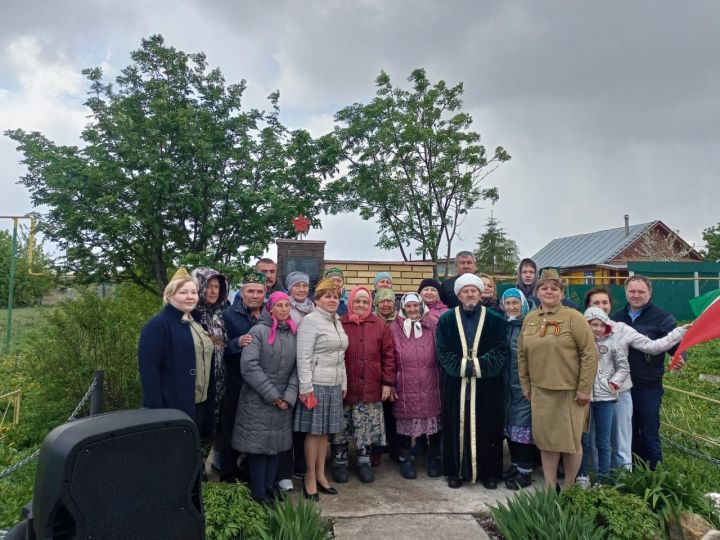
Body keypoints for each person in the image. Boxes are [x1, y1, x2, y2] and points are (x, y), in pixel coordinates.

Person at [584, 287, 688, 470]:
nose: (601, 306)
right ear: (588, 307)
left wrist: (677, 334)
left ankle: (623, 481)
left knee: (622, 440)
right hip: (591, 395)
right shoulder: (581, 330)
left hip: (620, 392)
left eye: (604, 302)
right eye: (596, 303)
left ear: (610, 305)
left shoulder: (621, 328)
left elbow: (653, 346)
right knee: (595, 439)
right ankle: (601, 480)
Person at [517, 268, 597, 489]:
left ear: (562, 293)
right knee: (546, 442)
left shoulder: (574, 318)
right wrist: (526, 384)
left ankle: (570, 487)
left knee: (571, 442)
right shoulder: (530, 319)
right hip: (540, 391)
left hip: (570, 392)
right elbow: (522, 355)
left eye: (554, 288)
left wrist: (584, 388)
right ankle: (550, 487)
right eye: (544, 288)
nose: (549, 291)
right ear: (537, 292)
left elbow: (589, 354)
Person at [436, 274, 509, 489]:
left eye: (473, 290)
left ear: (480, 293)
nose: (470, 294)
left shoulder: (496, 319)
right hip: (456, 385)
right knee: (455, 426)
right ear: (458, 295)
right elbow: (442, 350)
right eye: (465, 291)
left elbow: (500, 350)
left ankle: (490, 473)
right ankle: (456, 471)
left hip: (488, 384)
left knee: (488, 426)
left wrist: (475, 367)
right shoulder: (447, 319)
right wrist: (462, 368)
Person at [611, 276, 685, 469]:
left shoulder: (662, 317)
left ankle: (655, 473)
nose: (636, 295)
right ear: (626, 292)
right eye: (632, 291)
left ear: (649, 293)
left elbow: (675, 342)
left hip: (648, 385)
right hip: (623, 386)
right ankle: (634, 470)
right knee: (629, 430)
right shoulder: (617, 317)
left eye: (641, 292)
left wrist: (678, 356)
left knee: (650, 431)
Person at [232, 292, 298, 504]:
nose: (284, 309)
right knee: (258, 448)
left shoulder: (292, 333)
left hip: (283, 401)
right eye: (279, 305)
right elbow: (249, 367)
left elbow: (296, 369)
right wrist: (273, 396)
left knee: (275, 446)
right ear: (270, 308)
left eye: (287, 305)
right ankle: (258, 492)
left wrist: (288, 396)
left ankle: (270, 487)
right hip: (258, 399)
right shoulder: (258, 331)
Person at [139, 268, 214, 437]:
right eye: (183, 292)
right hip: (174, 405)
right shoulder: (158, 326)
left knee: (193, 452)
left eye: (193, 292)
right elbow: (149, 371)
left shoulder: (198, 323)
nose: (190, 296)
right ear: (169, 296)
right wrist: (158, 413)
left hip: (200, 403)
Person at [331, 286, 395, 484]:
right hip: (344, 385)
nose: (361, 305)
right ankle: (340, 461)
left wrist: (387, 382)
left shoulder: (380, 325)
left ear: (370, 304)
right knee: (341, 425)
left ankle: (363, 461)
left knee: (366, 426)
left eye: (365, 302)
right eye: (357, 301)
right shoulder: (339, 323)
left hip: (371, 385)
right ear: (350, 302)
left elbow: (389, 355)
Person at [294, 278, 349, 501]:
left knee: (325, 432)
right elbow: (303, 357)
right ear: (317, 300)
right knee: (314, 432)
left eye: (335, 296)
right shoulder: (311, 321)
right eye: (327, 296)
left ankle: (320, 474)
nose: (332, 300)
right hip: (315, 384)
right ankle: (309, 477)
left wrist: (343, 382)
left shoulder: (337, 321)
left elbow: (341, 357)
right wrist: (306, 387)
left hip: (334, 384)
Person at [219, 271, 266, 482]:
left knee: (255, 429)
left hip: (263, 384)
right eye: (250, 291)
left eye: (259, 291)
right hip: (236, 382)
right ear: (242, 292)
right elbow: (219, 349)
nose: (255, 295)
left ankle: (249, 472)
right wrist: (236, 343)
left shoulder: (270, 315)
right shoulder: (228, 315)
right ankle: (228, 474)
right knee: (231, 428)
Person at [576, 307, 629, 487]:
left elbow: (623, 366)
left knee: (603, 441)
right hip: (583, 397)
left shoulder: (613, 342)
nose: (598, 328)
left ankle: (603, 478)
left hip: (605, 398)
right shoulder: (577, 343)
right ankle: (582, 475)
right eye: (593, 325)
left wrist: (613, 383)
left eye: (601, 325)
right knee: (582, 439)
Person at [390, 293, 441, 479]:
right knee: (405, 427)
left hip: (430, 382)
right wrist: (390, 383)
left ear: (421, 306)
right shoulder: (394, 329)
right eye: (408, 306)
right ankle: (406, 460)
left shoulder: (433, 325)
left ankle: (435, 459)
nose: (412, 310)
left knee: (433, 428)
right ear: (403, 308)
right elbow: (389, 359)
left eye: (416, 306)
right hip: (405, 384)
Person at [191, 267, 230, 472]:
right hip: (198, 385)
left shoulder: (224, 313)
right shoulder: (191, 314)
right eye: (209, 286)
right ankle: (191, 472)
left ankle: (202, 470)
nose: (213, 291)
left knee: (213, 429)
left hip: (220, 384)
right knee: (196, 428)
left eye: (217, 286)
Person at [500, 288, 535, 490]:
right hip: (505, 388)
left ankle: (525, 471)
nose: (512, 307)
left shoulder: (530, 326)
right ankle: (514, 465)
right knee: (511, 429)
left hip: (523, 387)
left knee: (523, 430)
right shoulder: (505, 325)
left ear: (522, 304)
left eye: (515, 303)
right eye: (508, 303)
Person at [282, 270, 314, 485]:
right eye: (297, 286)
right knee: (288, 420)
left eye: (304, 285)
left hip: (310, 370)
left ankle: (302, 462)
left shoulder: (314, 307)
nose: (301, 289)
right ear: (289, 288)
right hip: (287, 368)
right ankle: (287, 466)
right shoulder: (285, 307)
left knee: (304, 419)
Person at [372, 286, 399, 463]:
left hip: (396, 374)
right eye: (382, 301)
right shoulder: (372, 321)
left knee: (393, 414)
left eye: (389, 300)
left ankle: (395, 448)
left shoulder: (401, 321)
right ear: (376, 303)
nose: (386, 304)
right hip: (375, 375)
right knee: (376, 414)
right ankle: (376, 451)